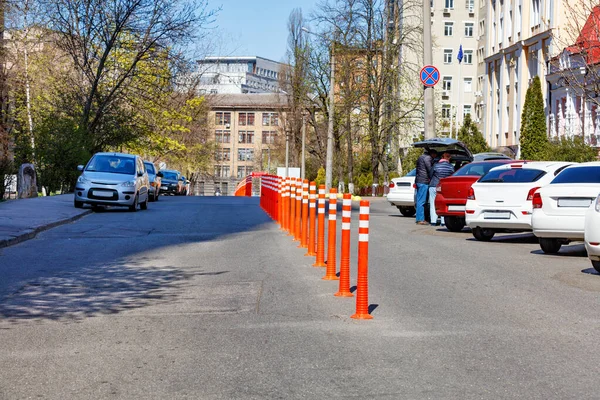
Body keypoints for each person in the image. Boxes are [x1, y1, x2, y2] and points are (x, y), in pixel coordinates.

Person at [429, 151, 455, 226]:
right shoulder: (451, 167)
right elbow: (452, 177)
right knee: (443, 204)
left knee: (433, 203)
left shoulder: (436, 165)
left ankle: (433, 221)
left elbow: (430, 175)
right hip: (444, 187)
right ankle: (443, 222)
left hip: (434, 185)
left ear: (442, 157)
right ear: (449, 158)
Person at [415, 148, 437, 225]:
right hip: (423, 181)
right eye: (435, 155)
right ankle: (420, 219)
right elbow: (430, 170)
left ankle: (420, 218)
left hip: (418, 180)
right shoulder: (427, 158)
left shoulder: (421, 157)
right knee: (422, 201)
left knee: (419, 200)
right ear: (432, 154)